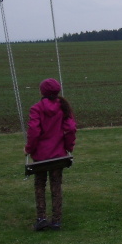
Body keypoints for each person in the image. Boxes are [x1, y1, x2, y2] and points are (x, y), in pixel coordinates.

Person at [25, 78, 77, 231]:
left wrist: (29, 149)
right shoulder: (63, 107)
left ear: (42, 92)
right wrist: (68, 146)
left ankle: (41, 218)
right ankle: (56, 221)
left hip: (40, 155)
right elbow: (71, 129)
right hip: (58, 155)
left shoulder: (36, 108)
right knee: (56, 186)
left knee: (40, 185)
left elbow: (34, 132)